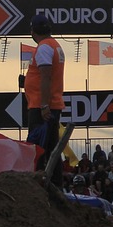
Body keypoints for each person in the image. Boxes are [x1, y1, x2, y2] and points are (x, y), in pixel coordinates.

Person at [25, 14, 67, 186]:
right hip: (48, 104)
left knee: (39, 149)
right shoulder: (55, 46)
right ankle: (54, 186)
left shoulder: (44, 48)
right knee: (51, 149)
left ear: (33, 31)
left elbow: (46, 76)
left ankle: (42, 187)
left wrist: (43, 105)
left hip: (42, 107)